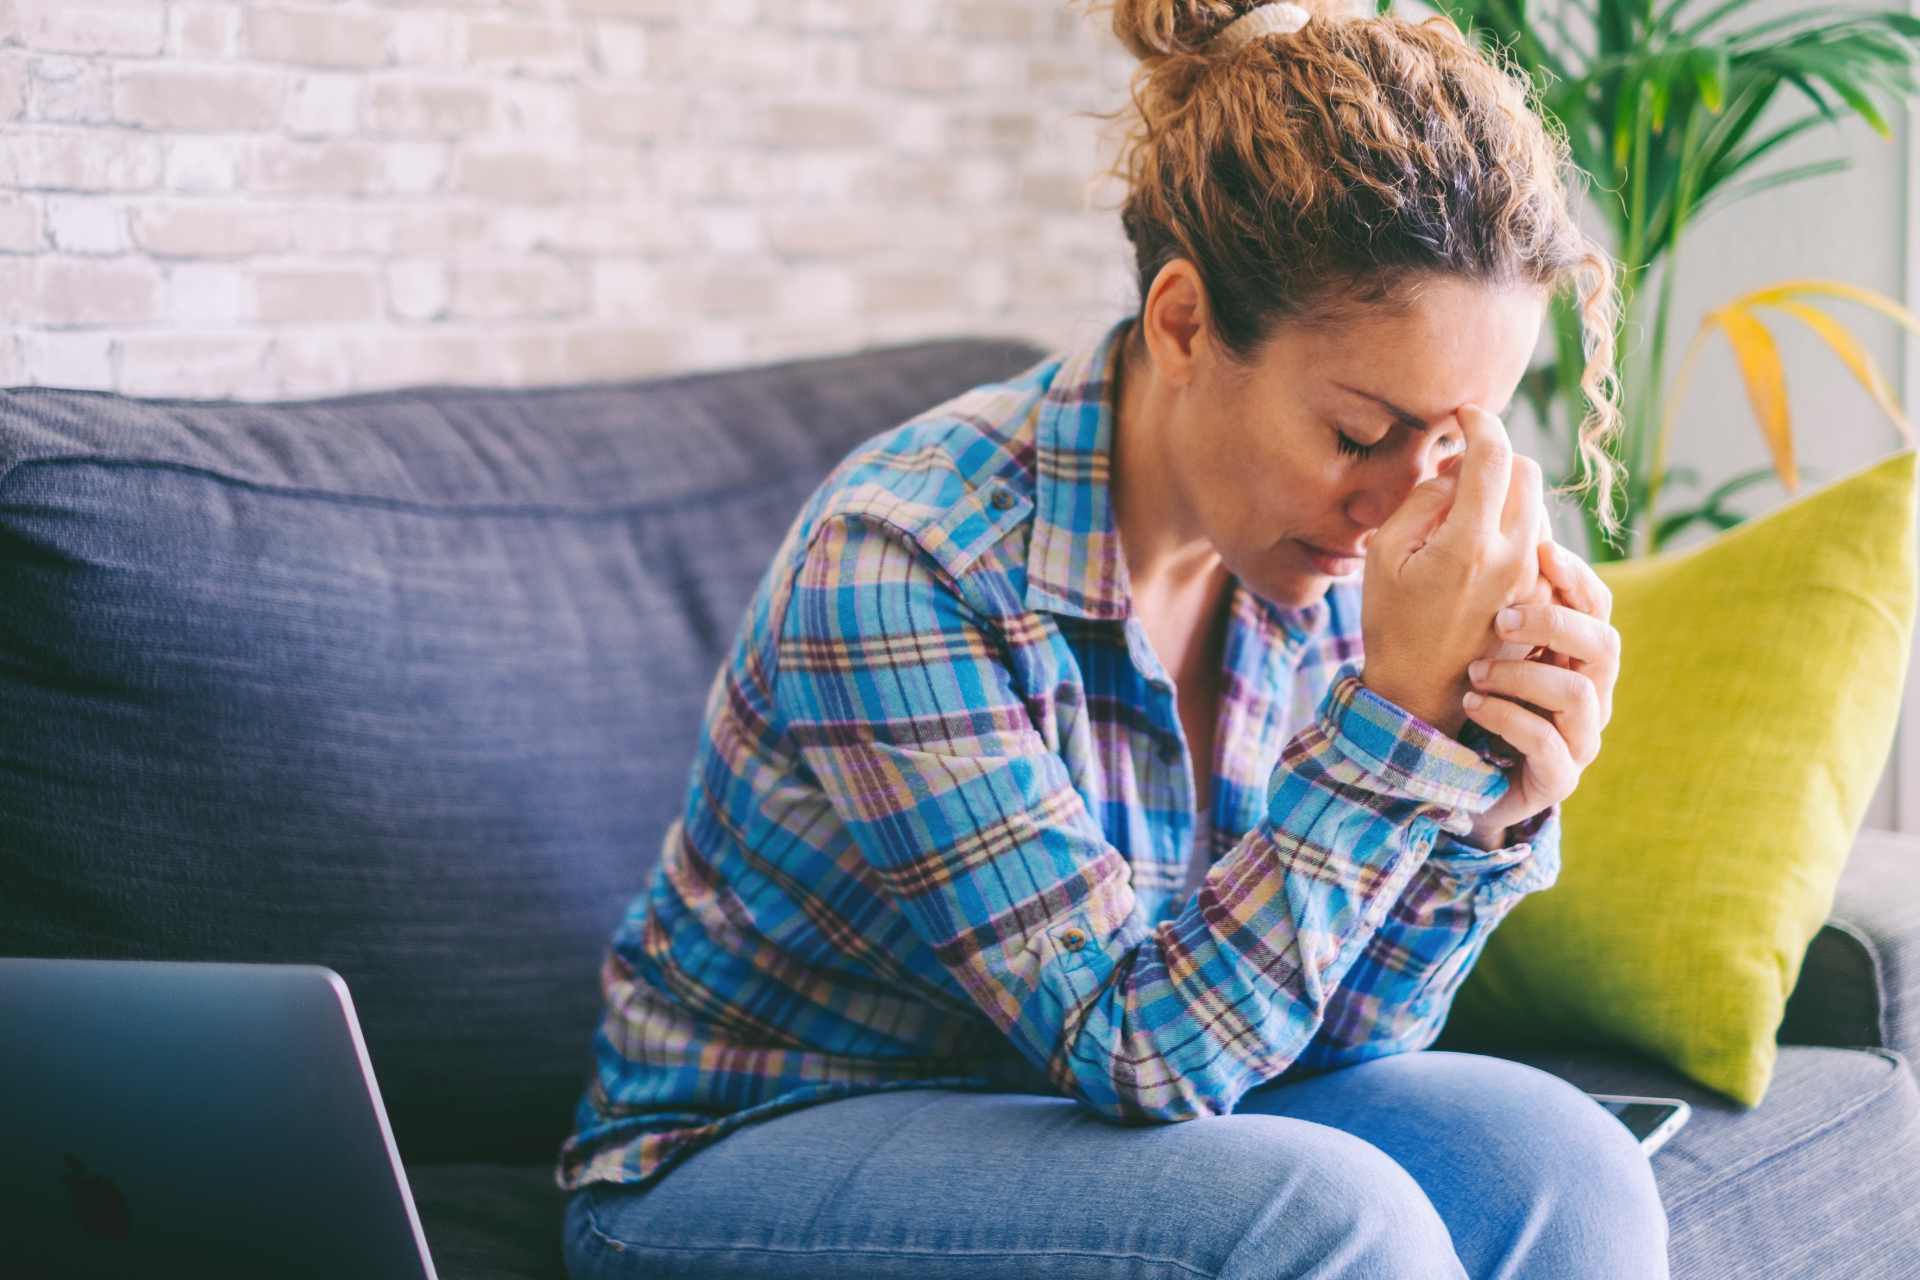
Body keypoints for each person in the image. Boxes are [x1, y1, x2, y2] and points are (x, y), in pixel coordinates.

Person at [556, 1, 1666, 1276]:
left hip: (1071, 1123)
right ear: (1184, 322)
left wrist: (1472, 809)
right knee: (1323, 1220)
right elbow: (1142, 1050)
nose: (1394, 503)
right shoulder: (907, 558)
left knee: (1561, 1165)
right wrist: (1391, 735)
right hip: (739, 1159)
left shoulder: (1313, 554)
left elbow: (1322, 1040)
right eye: (1362, 432)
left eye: (1450, 444)